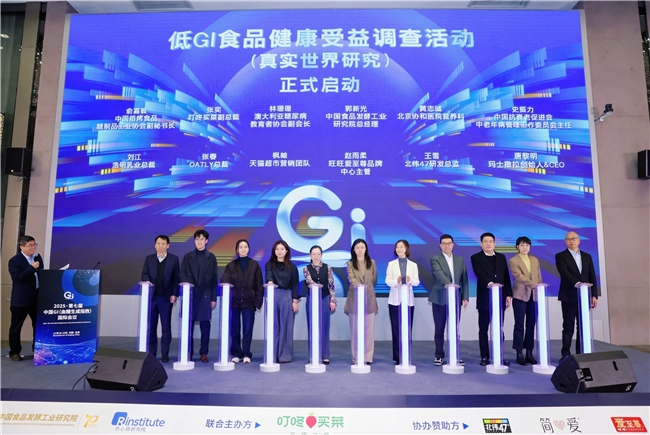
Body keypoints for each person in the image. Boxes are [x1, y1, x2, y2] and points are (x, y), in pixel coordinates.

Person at [555, 231, 599, 363]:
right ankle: (565, 353)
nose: (571, 241)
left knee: (582, 326)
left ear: (579, 241)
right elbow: (564, 274)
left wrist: (594, 295)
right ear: (565, 242)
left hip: (585, 297)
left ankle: (581, 353)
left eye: (574, 238)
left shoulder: (587, 256)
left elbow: (592, 276)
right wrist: (578, 284)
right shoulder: (560, 256)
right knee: (568, 326)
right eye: (568, 239)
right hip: (568, 296)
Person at [470, 232, 513, 366]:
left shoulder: (501, 257)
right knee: (483, 329)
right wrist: (490, 284)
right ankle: (485, 356)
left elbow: (506, 277)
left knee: (499, 328)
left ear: (494, 243)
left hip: (500, 297)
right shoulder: (476, 257)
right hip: (485, 298)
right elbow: (479, 274)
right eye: (485, 241)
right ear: (481, 244)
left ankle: (499, 355)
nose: (488, 244)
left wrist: (508, 295)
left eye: (491, 241)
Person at [220, 239, 264, 364]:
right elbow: (224, 279)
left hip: (249, 302)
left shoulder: (254, 265)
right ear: (237, 250)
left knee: (247, 329)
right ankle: (236, 353)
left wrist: (257, 301)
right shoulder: (231, 266)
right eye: (241, 247)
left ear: (248, 249)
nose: (243, 249)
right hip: (234, 302)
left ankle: (246, 354)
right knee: (234, 329)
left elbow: (259, 285)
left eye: (245, 247)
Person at [429, 234, 469, 366]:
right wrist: (450, 285)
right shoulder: (435, 259)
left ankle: (455, 355)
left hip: (456, 299)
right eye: (444, 243)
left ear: (453, 244)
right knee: (439, 329)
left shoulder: (460, 260)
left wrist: (465, 296)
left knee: (455, 329)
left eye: (449, 243)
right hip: (440, 298)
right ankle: (439, 355)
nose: (447, 245)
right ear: (440, 245)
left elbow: (464, 280)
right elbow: (438, 274)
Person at [179, 229, 218, 363]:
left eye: (202, 239)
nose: (199, 242)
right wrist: (187, 284)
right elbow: (182, 273)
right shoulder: (187, 257)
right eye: (197, 239)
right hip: (190, 294)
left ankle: (204, 353)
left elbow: (214, 279)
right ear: (194, 241)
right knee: (188, 325)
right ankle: (188, 352)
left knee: (205, 326)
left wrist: (213, 298)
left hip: (205, 295)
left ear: (206, 241)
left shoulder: (211, 257)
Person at [141, 235, 180, 363]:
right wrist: (147, 281)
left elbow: (176, 278)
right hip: (152, 298)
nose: (160, 246)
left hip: (166, 299)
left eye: (163, 244)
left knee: (166, 327)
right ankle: (152, 353)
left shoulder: (174, 259)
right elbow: (144, 273)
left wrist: (174, 294)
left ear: (168, 245)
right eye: (158, 243)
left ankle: (164, 354)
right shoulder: (149, 259)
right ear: (155, 245)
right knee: (151, 327)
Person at [8, 236, 43, 361]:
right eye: (30, 245)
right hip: (21, 300)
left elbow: (41, 275)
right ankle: (14, 352)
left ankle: (38, 350)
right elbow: (17, 278)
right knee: (16, 327)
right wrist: (32, 268)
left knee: (38, 326)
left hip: (36, 298)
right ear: (22, 247)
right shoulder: (15, 261)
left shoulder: (37, 257)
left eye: (34, 244)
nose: (33, 247)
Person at [508, 236, 543, 366]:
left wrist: (539, 287)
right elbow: (518, 276)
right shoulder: (513, 260)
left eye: (527, 245)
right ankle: (519, 353)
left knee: (531, 324)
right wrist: (533, 284)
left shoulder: (534, 260)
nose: (525, 248)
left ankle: (529, 352)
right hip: (520, 295)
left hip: (534, 296)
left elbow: (539, 276)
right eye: (522, 245)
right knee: (519, 324)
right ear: (517, 247)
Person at [385, 239, 420, 365]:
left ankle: (406, 354)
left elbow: (417, 282)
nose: (399, 249)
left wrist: (410, 280)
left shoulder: (413, 265)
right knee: (396, 328)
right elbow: (387, 281)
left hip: (408, 301)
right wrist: (397, 281)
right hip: (395, 300)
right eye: (397, 247)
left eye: (401, 247)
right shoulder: (391, 264)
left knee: (407, 328)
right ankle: (398, 356)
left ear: (406, 249)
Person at [345, 239, 378, 365]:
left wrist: (366, 288)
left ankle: (368, 357)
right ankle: (356, 357)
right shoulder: (350, 264)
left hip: (369, 298)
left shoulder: (372, 262)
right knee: (355, 330)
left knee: (369, 330)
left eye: (362, 247)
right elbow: (351, 279)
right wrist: (360, 287)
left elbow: (374, 279)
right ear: (354, 250)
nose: (360, 250)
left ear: (365, 249)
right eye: (357, 247)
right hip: (355, 298)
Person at [265, 240, 299, 363]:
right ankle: (272, 354)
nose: (279, 251)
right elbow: (268, 276)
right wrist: (270, 283)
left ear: (286, 251)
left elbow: (295, 284)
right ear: (274, 251)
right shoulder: (269, 264)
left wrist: (294, 301)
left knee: (286, 326)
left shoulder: (292, 267)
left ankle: (285, 355)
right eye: (277, 249)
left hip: (287, 296)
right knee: (274, 325)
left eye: (282, 249)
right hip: (273, 294)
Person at [302, 245, 336, 365]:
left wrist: (332, 300)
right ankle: (313, 354)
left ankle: (325, 355)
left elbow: (331, 285)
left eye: (318, 254)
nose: (316, 256)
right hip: (312, 299)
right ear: (310, 255)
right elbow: (309, 281)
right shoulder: (306, 269)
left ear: (321, 255)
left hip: (325, 298)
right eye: (313, 254)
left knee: (324, 326)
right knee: (312, 327)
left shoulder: (328, 268)